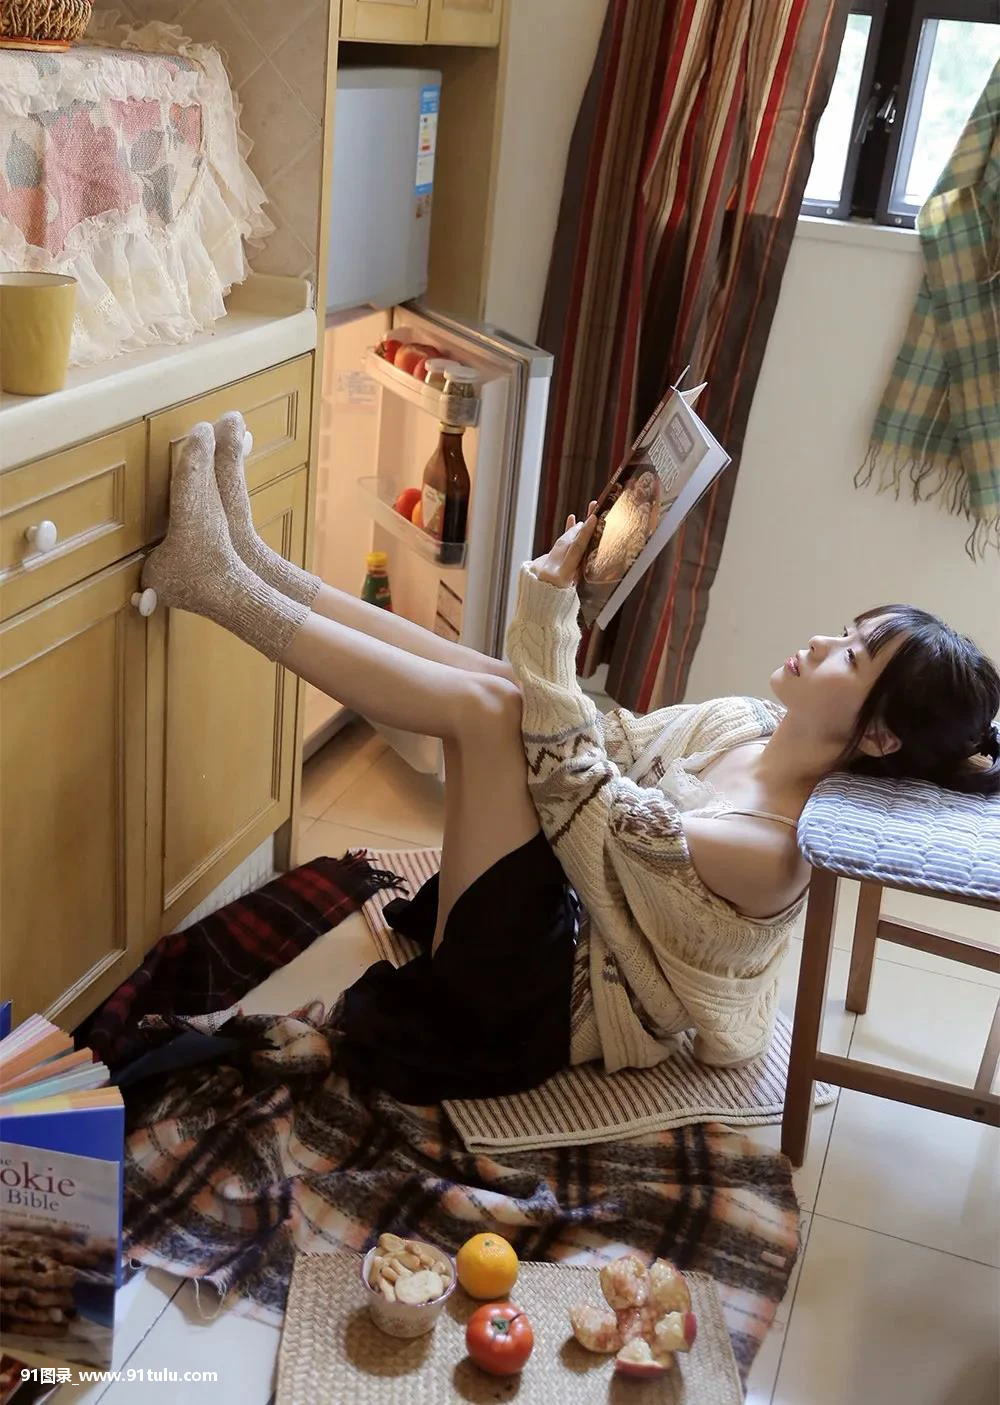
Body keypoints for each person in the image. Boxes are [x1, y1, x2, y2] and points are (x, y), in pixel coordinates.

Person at [143, 414, 1000, 1104]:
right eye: (845, 631)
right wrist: (553, 614)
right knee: (497, 688)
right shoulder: (746, 722)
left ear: (879, 737)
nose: (820, 643)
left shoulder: (769, 850)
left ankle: (218, 586)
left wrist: (550, 604)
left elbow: (577, 794)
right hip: (559, 901)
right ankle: (250, 564)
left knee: (490, 710)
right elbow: (601, 738)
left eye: (851, 656)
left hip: (530, 1001)